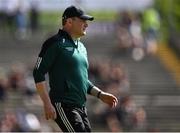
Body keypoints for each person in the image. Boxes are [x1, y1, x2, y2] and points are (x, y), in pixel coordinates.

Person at [33, 5, 118, 132]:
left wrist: (100, 95)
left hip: (81, 108)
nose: (86, 24)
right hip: (63, 105)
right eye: (82, 20)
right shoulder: (55, 43)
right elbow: (38, 73)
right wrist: (46, 103)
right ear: (69, 21)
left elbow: (83, 81)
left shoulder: (82, 48)